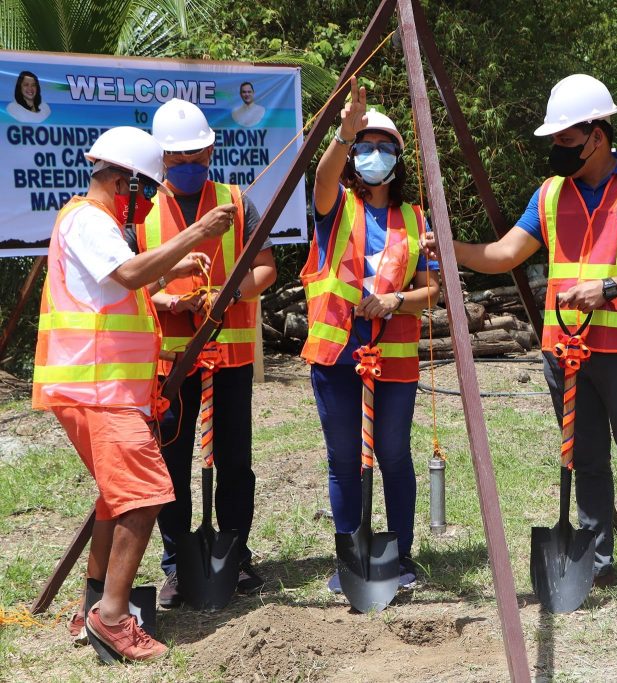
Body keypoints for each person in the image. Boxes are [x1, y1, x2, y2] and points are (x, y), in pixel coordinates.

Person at [423, 73, 617, 614]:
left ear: (598, 133)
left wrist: (610, 288)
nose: (557, 149)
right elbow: (503, 255)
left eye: (566, 139)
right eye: (555, 140)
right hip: (563, 351)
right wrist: (451, 247)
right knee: (585, 459)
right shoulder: (549, 194)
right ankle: (596, 559)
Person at [33, 126, 233, 661]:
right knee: (145, 495)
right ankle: (113, 618)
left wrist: (167, 284)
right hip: (98, 389)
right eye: (143, 192)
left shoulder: (85, 221)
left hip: (101, 387)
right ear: (124, 183)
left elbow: (114, 289)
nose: (142, 205)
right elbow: (124, 273)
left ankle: (93, 605)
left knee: (115, 499)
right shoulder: (90, 221)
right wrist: (194, 237)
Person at [131, 98, 277, 608]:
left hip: (231, 362)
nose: (188, 166)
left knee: (235, 460)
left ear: (212, 148)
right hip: (171, 366)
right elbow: (128, 284)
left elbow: (265, 269)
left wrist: (229, 294)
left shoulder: (238, 202)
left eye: (196, 156)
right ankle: (177, 564)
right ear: (161, 158)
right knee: (171, 463)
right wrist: (166, 298)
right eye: (177, 159)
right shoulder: (141, 211)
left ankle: (234, 556)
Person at [302, 78, 439, 593]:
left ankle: (399, 556)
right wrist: (343, 133)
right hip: (338, 354)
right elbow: (322, 178)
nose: (373, 156)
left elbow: (431, 293)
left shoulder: (413, 217)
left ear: (397, 160)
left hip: (395, 359)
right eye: (366, 147)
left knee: (393, 454)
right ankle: (351, 557)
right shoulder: (336, 206)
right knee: (343, 459)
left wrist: (395, 301)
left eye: (384, 148)